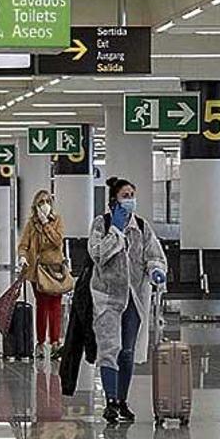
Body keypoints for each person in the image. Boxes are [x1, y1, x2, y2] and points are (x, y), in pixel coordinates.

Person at [88, 177, 167, 424]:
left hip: (134, 297)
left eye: (132, 194)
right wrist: (116, 232)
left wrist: (156, 269)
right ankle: (110, 401)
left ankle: (123, 401)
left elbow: (155, 255)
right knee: (110, 349)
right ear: (114, 199)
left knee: (127, 351)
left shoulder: (142, 227)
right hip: (107, 297)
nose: (130, 199)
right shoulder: (102, 224)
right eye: (125, 195)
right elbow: (98, 254)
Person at [17, 190, 66, 361]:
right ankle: (40, 342)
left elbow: (58, 241)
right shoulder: (31, 224)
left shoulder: (57, 221)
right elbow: (23, 244)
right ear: (35, 206)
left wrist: (46, 224)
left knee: (56, 306)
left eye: (47, 201)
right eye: (40, 202)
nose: (44, 205)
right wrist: (22, 257)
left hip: (55, 270)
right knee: (42, 306)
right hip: (38, 272)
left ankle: (55, 342)